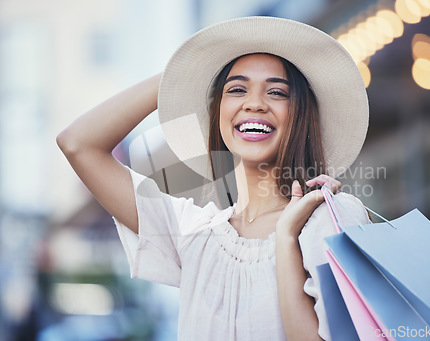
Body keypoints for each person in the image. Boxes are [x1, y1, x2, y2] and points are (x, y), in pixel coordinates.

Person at [57, 16, 370, 341]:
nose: (254, 104)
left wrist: (287, 238)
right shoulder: (195, 233)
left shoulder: (330, 218)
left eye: (277, 92)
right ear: (217, 111)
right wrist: (187, 71)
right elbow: (78, 144)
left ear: (301, 115)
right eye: (236, 89)